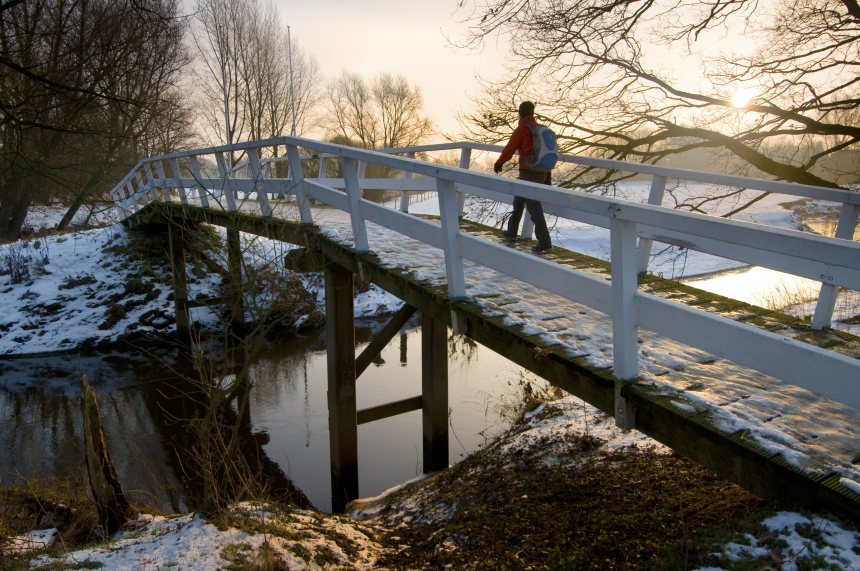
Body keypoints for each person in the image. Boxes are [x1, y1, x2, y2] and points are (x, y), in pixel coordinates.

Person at [493, 101, 552, 253]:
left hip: (528, 173)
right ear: (532, 112)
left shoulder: (523, 129)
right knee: (519, 201)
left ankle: (545, 242)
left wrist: (499, 162)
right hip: (541, 172)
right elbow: (546, 152)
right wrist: (547, 175)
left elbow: (510, 148)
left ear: (520, 113)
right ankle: (512, 232)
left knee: (533, 207)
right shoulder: (540, 129)